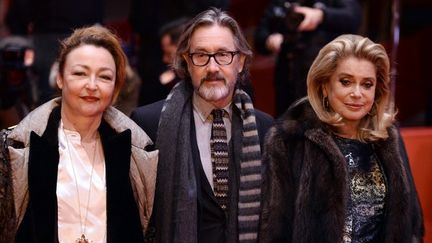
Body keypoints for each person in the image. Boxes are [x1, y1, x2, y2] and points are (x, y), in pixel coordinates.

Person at [259, 34, 424, 242]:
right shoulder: (290, 139)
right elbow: (273, 230)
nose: (357, 93)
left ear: (377, 90)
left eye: (367, 84)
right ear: (325, 86)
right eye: (346, 82)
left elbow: (410, 224)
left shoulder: (388, 137)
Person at [0, 25, 158, 242]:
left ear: (115, 87)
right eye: (80, 73)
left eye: (104, 77)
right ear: (60, 78)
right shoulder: (16, 147)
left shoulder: (138, 152)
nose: (92, 85)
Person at [131, 8, 273, 243]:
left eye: (223, 55)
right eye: (201, 55)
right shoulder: (147, 123)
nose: (213, 67)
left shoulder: (266, 128)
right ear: (187, 62)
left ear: (240, 62)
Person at [255, 0, 362, 117]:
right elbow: (260, 35)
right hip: (287, 78)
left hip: (325, 79)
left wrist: (320, 15)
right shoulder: (281, 3)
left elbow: (353, 17)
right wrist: (270, 40)